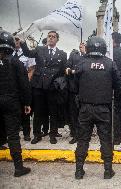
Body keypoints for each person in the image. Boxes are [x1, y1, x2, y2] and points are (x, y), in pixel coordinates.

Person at [66, 36, 121, 180]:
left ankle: (79, 171)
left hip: (85, 108)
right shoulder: (110, 64)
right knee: (105, 140)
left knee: (83, 140)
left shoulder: (81, 63)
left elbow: (74, 86)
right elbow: (119, 86)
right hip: (103, 108)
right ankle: (108, 171)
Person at [20, 31, 67, 144]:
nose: (51, 38)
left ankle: (52, 135)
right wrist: (22, 42)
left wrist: (58, 83)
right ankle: (37, 135)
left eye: (53, 37)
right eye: (49, 36)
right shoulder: (39, 49)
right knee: (38, 112)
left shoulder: (62, 54)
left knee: (53, 112)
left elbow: (62, 71)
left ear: (57, 40)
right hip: (39, 86)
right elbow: (27, 53)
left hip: (52, 87)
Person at [0, 29, 31, 177]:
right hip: (12, 103)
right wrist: (27, 103)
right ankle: (18, 168)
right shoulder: (16, 63)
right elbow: (25, 85)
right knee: (13, 135)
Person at [13, 36, 36, 141]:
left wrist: (26, 82)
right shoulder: (10, 53)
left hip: (24, 85)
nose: (16, 41)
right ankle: (14, 132)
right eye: (14, 39)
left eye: (18, 40)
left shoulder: (26, 54)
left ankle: (26, 133)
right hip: (12, 86)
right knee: (13, 110)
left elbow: (31, 69)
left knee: (25, 110)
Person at [66, 43, 86, 144]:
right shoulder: (74, 55)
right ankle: (75, 134)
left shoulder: (89, 56)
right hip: (73, 90)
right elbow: (67, 68)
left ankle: (84, 134)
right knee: (73, 114)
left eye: (83, 45)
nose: (81, 46)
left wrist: (74, 71)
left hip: (86, 90)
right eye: (80, 45)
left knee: (84, 114)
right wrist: (70, 70)